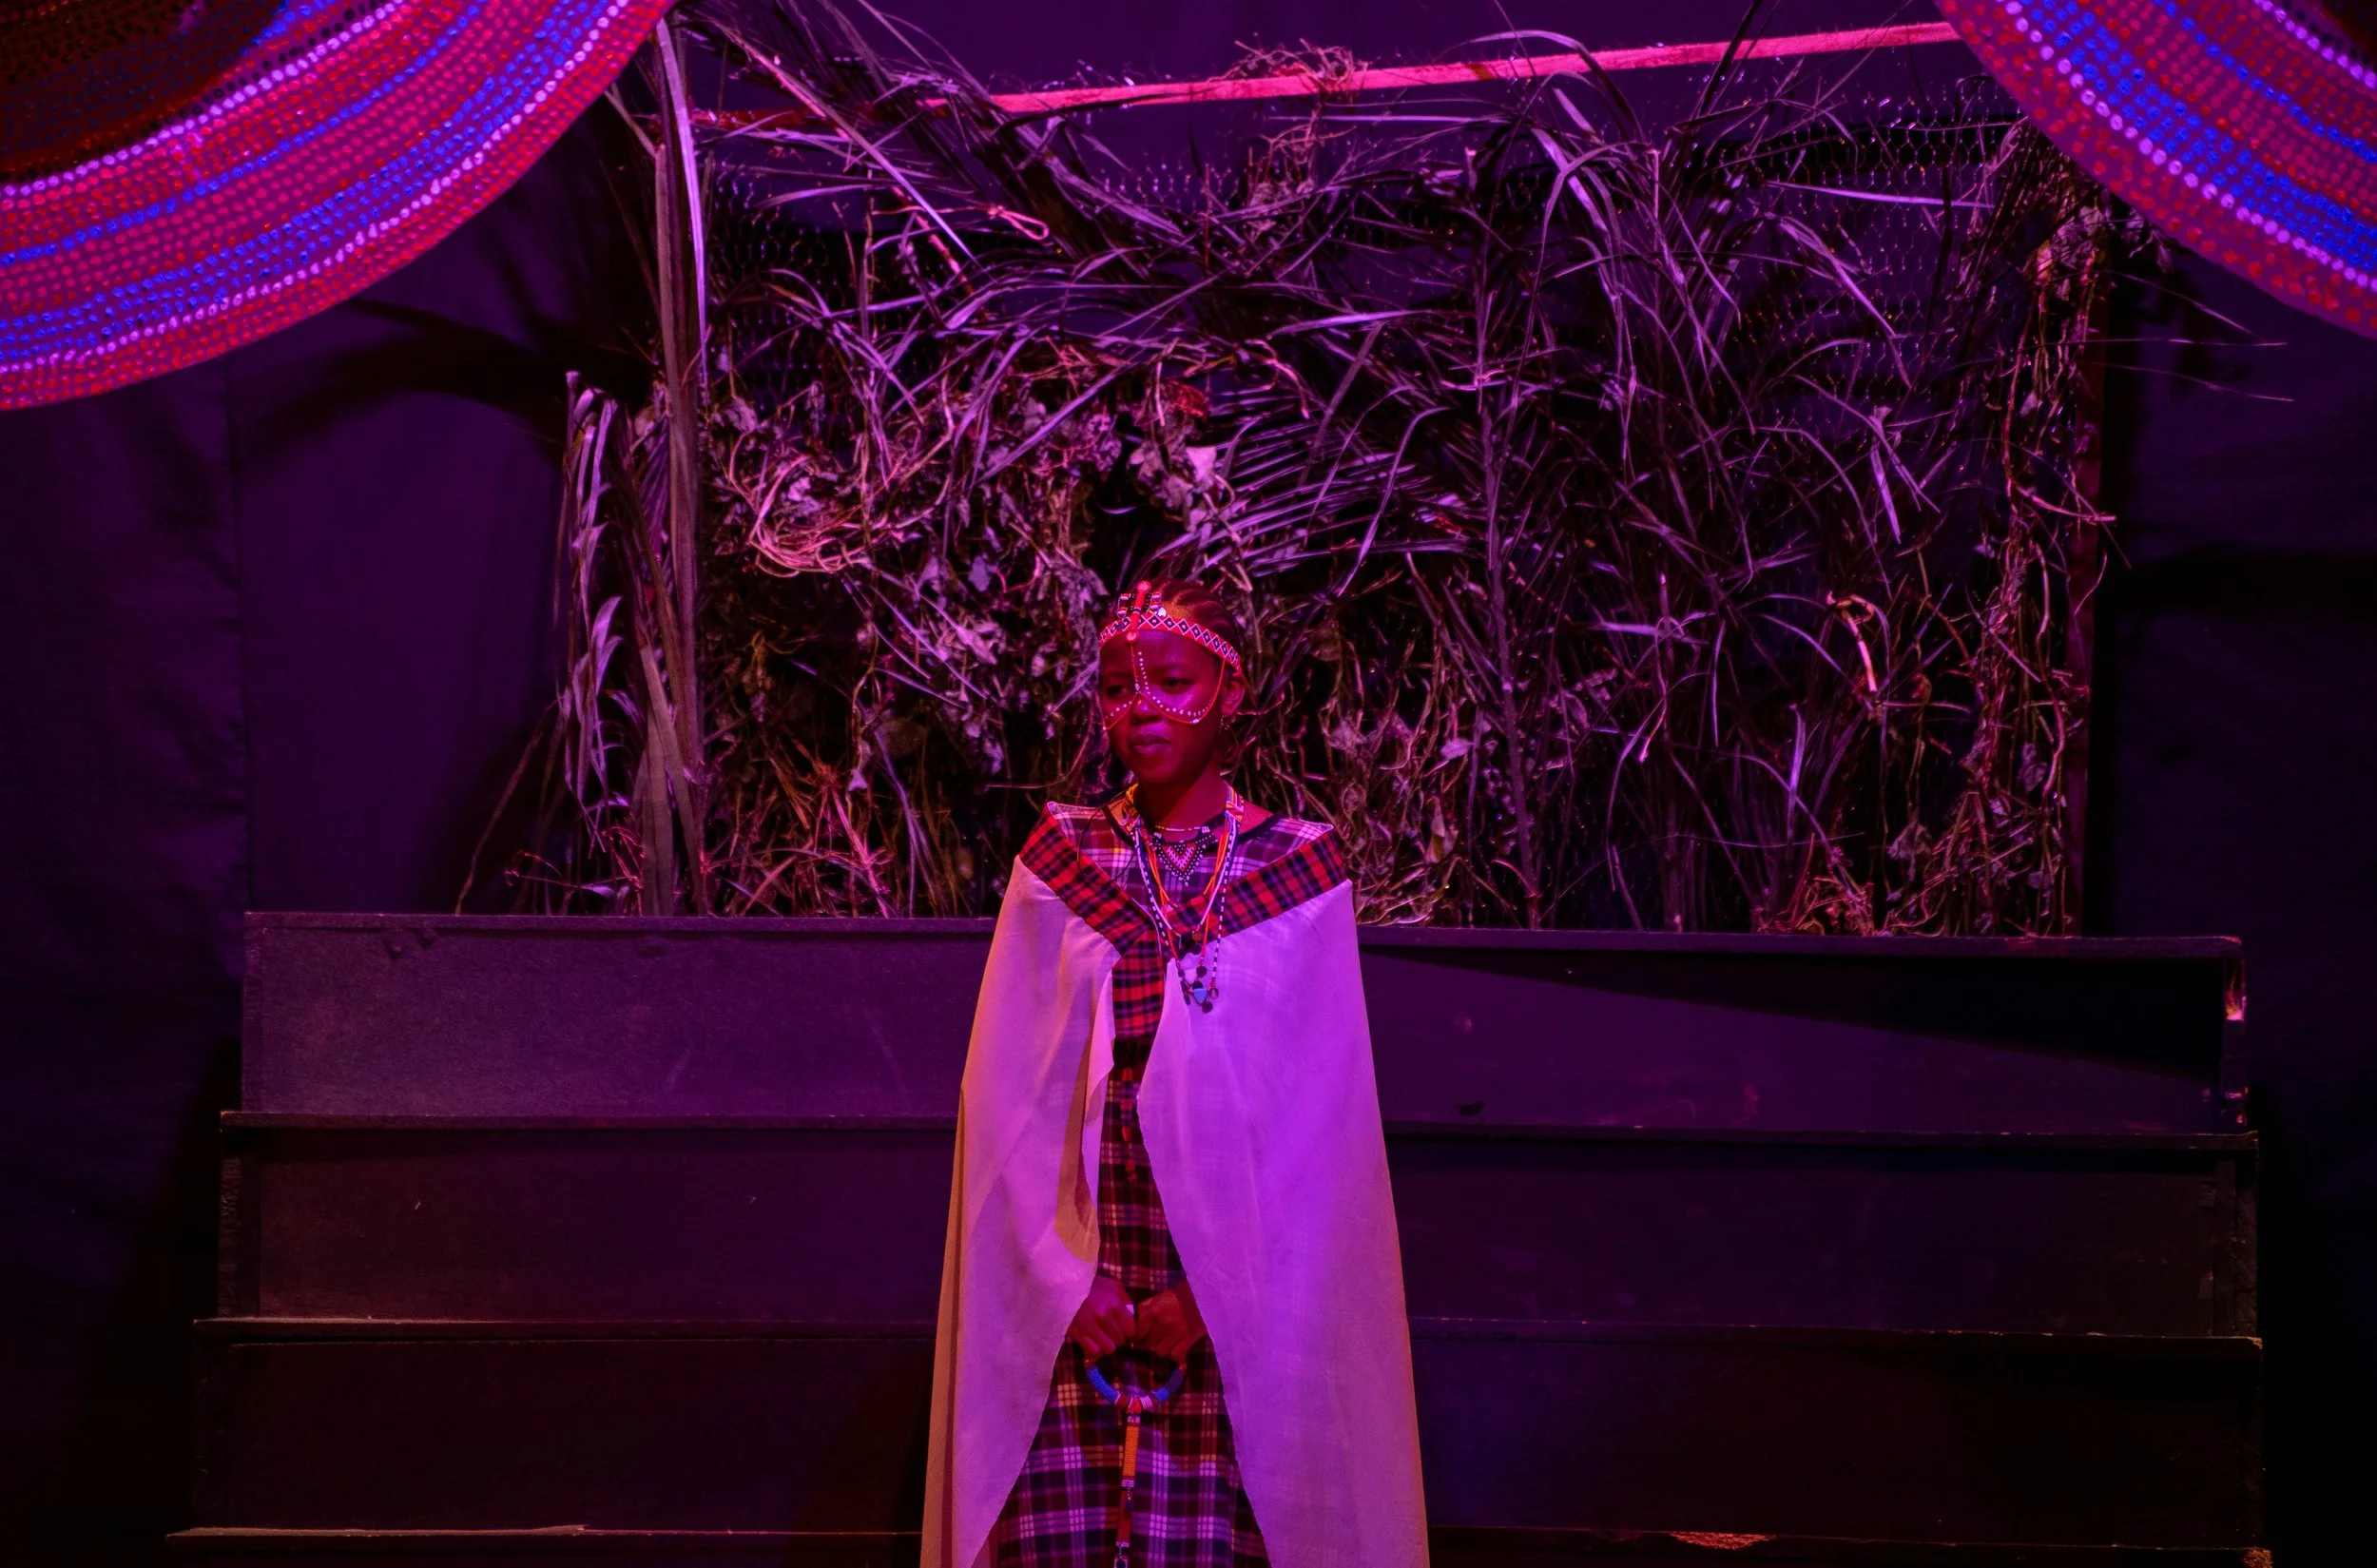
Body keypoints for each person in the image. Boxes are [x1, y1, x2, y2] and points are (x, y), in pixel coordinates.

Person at [923, 578, 1428, 1568]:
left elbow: (1316, 1129)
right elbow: (1007, 1103)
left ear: (1229, 689)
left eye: (1170, 679)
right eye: (1117, 687)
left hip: (1237, 1300)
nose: (1140, 707)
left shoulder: (1298, 870)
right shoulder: (1063, 858)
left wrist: (1216, 1291)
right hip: (1085, 1292)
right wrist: (1066, 1278)